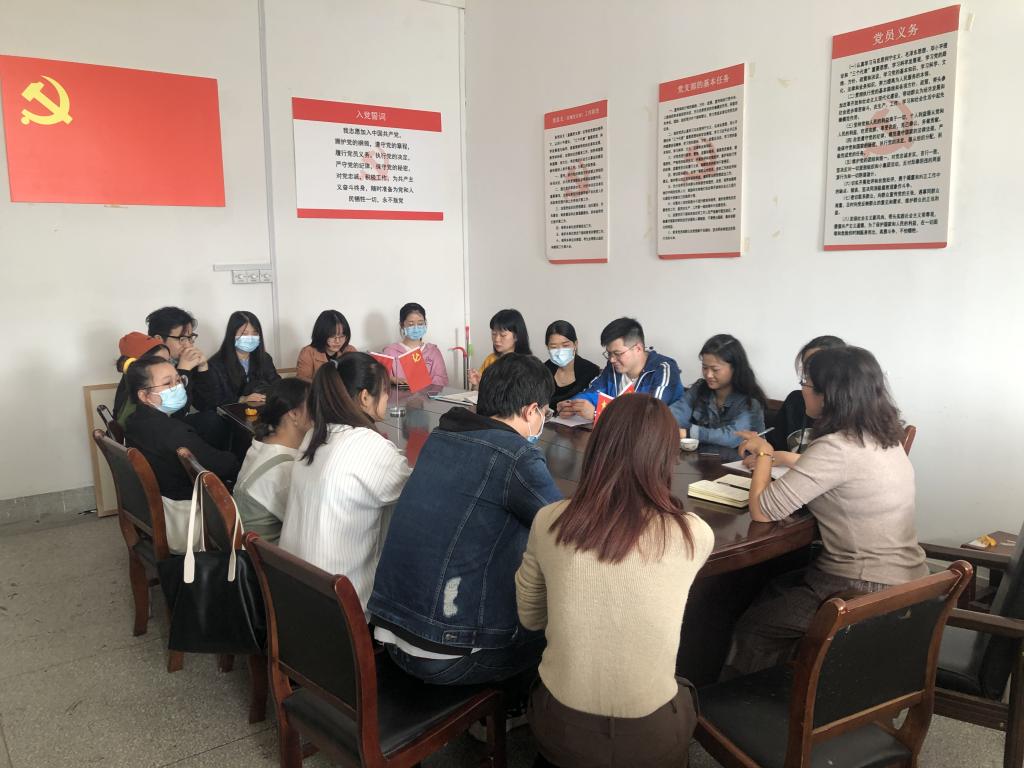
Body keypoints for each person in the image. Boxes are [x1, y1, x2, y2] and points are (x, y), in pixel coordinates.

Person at [517, 394, 714, 767]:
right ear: (667, 458)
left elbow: (530, 618)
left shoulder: (549, 521)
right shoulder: (694, 535)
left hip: (562, 729)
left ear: (597, 447)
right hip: (651, 738)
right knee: (683, 689)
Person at [725, 346, 928, 677]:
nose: (802, 389)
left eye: (806, 382)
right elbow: (835, 472)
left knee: (755, 625)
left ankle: (751, 699)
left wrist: (764, 455)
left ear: (829, 394)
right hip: (908, 578)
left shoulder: (835, 447)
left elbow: (763, 510)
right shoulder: (883, 436)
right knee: (773, 587)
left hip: (861, 586)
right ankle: (796, 680)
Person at [369, 353, 562, 686]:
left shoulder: (441, 436)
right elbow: (565, 530)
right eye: (545, 412)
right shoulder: (517, 455)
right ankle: (515, 706)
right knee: (554, 629)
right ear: (532, 411)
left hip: (390, 632)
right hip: (446, 651)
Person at [279, 352, 410, 612]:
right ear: (365, 397)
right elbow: (416, 491)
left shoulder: (314, 435)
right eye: (385, 391)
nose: (388, 398)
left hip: (294, 596)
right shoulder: (366, 444)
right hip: (341, 607)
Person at [123, 356, 241, 553]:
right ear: (144, 395)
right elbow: (223, 467)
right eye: (167, 383)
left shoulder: (134, 421)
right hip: (184, 516)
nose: (177, 387)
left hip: (157, 506)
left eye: (178, 380)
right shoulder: (172, 433)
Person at [558, 317, 683, 420]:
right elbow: (593, 393)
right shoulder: (613, 368)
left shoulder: (663, 370)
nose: (612, 359)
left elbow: (650, 415)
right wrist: (571, 405)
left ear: (638, 348)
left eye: (618, 353)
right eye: (609, 353)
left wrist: (598, 414)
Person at [233, 378, 310, 543]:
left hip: (244, 544)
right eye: (314, 405)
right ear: (294, 414)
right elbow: (307, 527)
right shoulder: (285, 469)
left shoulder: (260, 444)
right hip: (265, 555)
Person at [145, 306, 226, 447]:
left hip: (171, 429)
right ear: (158, 339)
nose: (188, 345)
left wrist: (203, 368)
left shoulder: (178, 361)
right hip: (155, 435)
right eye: (181, 339)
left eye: (190, 338)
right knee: (211, 423)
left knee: (214, 420)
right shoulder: (145, 367)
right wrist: (184, 371)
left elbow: (208, 405)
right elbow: (176, 414)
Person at [670, 334, 767, 448]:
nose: (708, 375)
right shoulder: (699, 390)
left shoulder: (750, 402)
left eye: (715, 369)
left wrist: (689, 433)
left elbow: (732, 437)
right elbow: (674, 415)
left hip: (740, 458)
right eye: (705, 367)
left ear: (735, 368)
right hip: (702, 456)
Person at [768, 335, 846, 457]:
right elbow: (774, 447)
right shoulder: (795, 401)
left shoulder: (852, 415)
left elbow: (836, 465)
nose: (809, 374)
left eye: (817, 366)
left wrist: (785, 458)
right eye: (806, 367)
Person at [197, 310, 281, 410]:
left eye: (255, 333)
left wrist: (269, 394)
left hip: (263, 408)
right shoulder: (216, 364)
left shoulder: (264, 358)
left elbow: (277, 383)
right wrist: (241, 399)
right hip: (232, 413)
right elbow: (215, 399)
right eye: (244, 334)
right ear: (232, 335)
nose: (250, 338)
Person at [381, 302, 449, 386]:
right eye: (411, 324)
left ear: (425, 323)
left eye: (420, 323)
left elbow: (442, 380)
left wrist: (422, 384)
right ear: (402, 325)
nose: (416, 328)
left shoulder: (433, 352)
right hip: (400, 395)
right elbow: (380, 383)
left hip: (429, 394)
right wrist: (391, 379)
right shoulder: (390, 352)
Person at [113, 332, 170, 427]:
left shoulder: (130, 379)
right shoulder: (141, 400)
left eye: (168, 361)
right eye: (160, 363)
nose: (169, 368)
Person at [542, 320, 601, 409]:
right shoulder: (542, 371)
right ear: (547, 347)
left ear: (575, 344)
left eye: (565, 346)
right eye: (554, 347)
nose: (560, 351)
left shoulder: (590, 370)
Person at [468, 308, 531, 387]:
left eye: (503, 335)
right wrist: (477, 384)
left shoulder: (526, 365)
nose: (497, 339)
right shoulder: (490, 360)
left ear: (516, 336)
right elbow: (478, 392)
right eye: (494, 334)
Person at [295, 310, 358, 382]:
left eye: (342, 336)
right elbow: (302, 383)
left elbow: (358, 376)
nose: (337, 341)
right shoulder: (308, 353)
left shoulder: (350, 350)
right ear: (321, 334)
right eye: (332, 336)